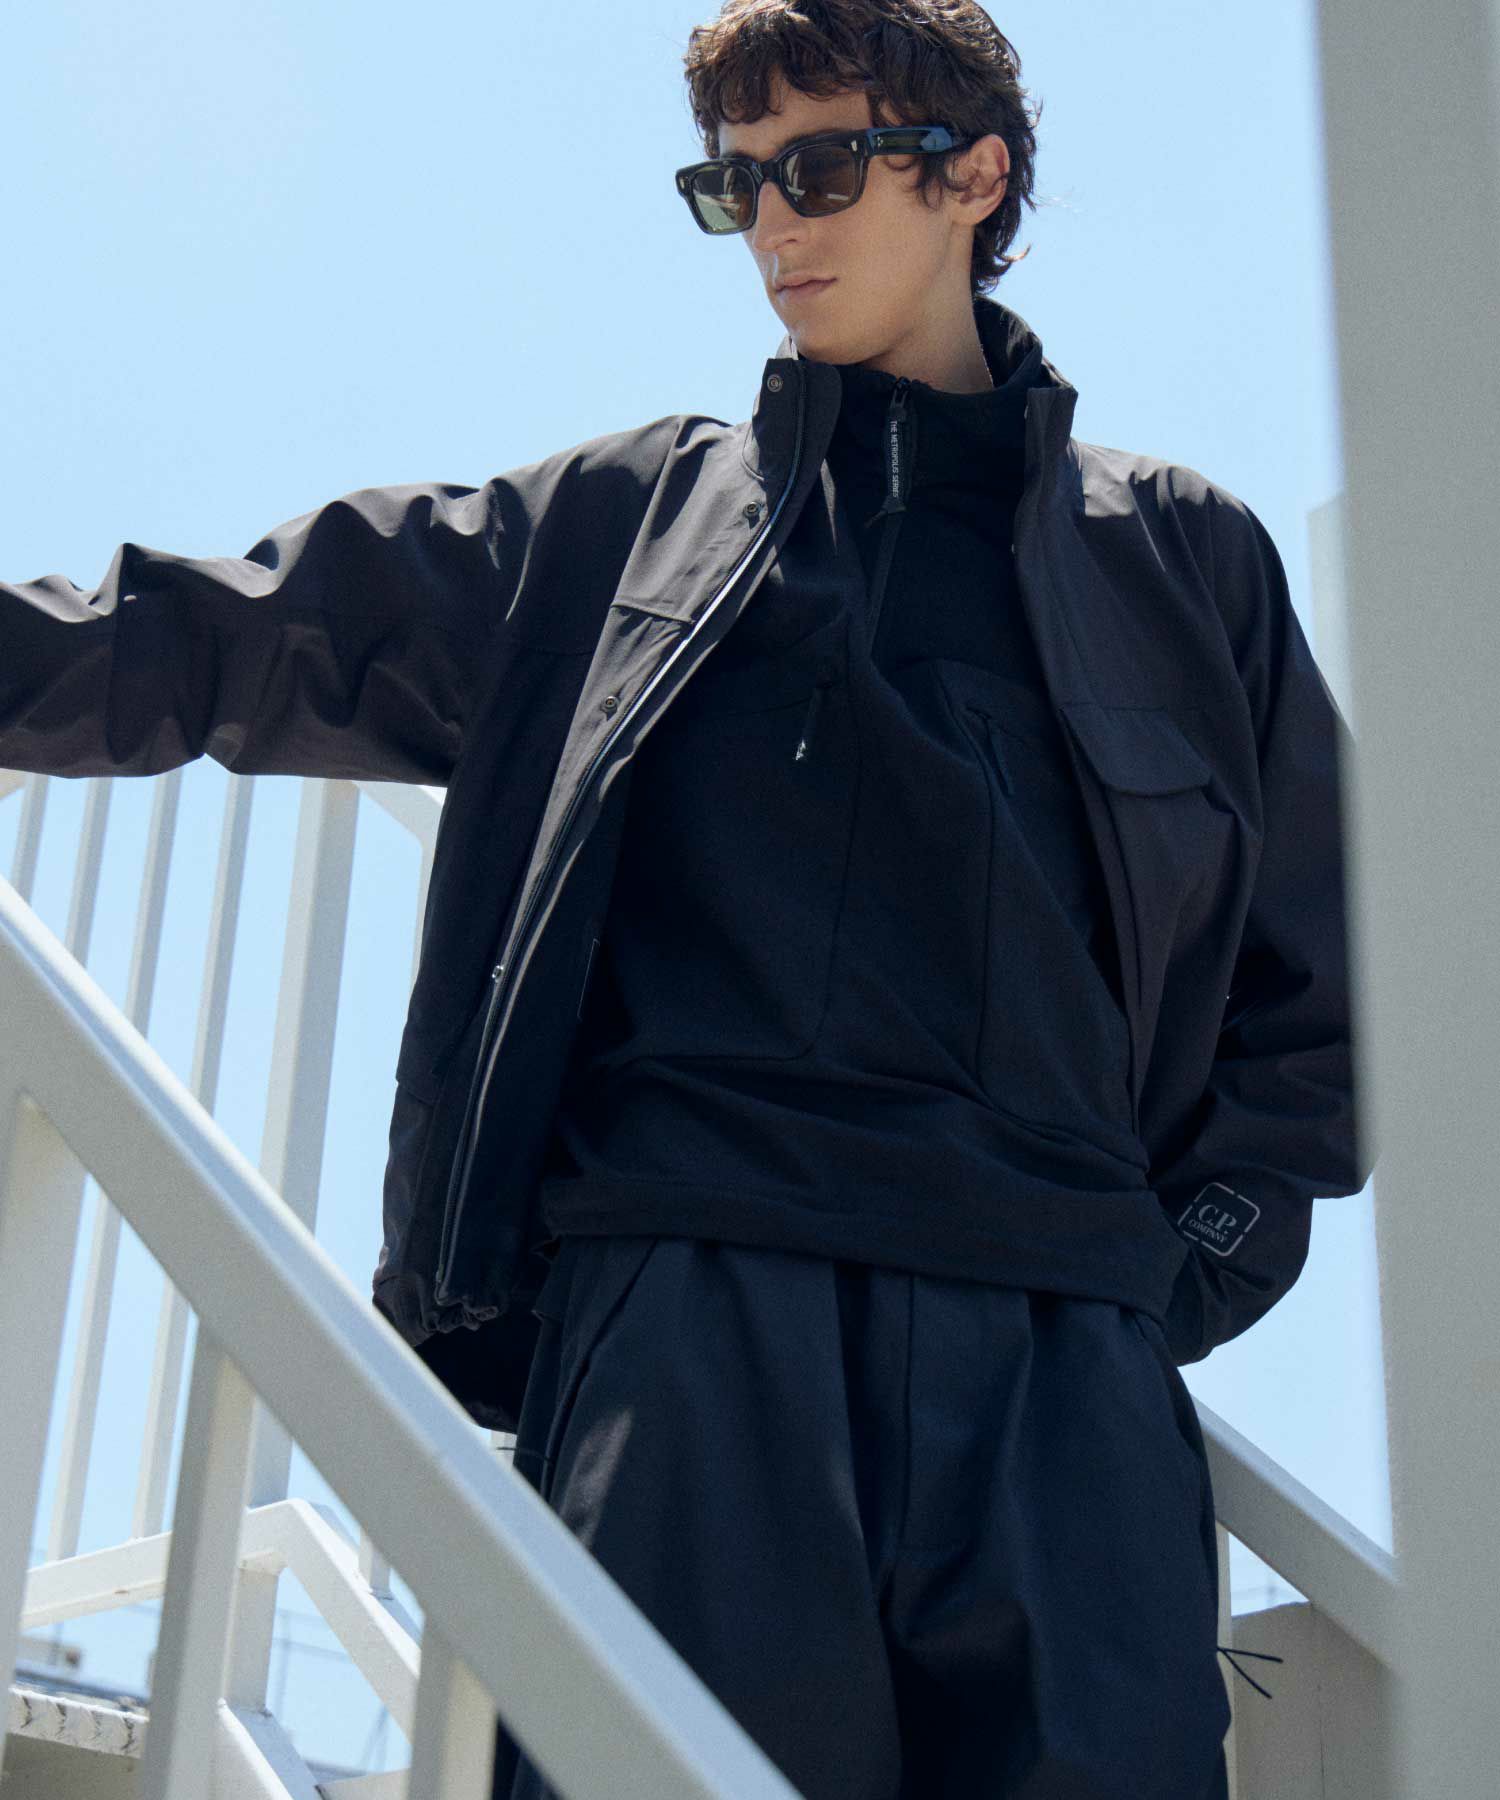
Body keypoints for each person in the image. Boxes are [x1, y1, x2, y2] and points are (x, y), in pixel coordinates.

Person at [0, 2, 1366, 1794]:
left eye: (821, 168)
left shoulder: (1187, 561)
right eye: (735, 188)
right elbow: (244, 631)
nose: (774, 225)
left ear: (974, 177)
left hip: (1061, 1361)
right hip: (696, 1318)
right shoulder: (619, 528)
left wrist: (1180, 1276)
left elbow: (1334, 989)